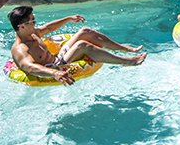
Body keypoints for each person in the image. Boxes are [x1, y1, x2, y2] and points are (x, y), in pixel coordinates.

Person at [9, 6, 146, 86]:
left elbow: (48, 27)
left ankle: (125, 49)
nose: (35, 23)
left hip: (57, 58)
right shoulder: (21, 49)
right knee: (81, 45)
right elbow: (30, 67)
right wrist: (55, 72)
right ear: (22, 27)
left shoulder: (32, 34)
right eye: (32, 21)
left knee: (84, 31)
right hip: (54, 67)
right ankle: (128, 61)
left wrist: (68, 18)